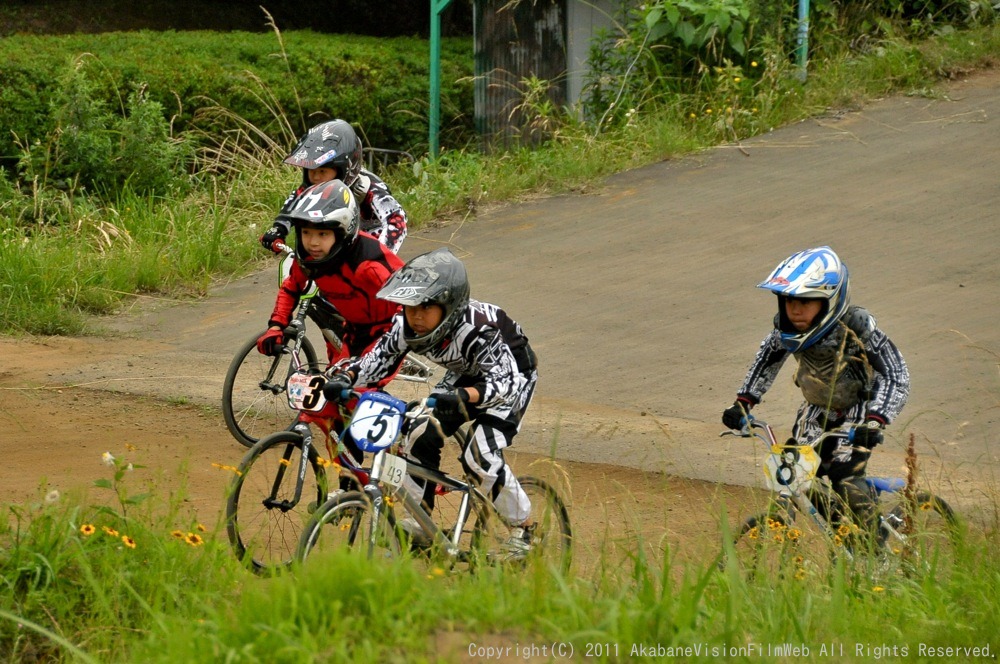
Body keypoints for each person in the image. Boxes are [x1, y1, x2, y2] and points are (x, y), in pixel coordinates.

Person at [322, 248, 540, 557]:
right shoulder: (405, 326)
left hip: (512, 377)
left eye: (427, 306)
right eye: (411, 307)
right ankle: (422, 522)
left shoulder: (478, 329)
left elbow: (504, 383)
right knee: (417, 433)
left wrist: (466, 396)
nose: (417, 316)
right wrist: (346, 376)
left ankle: (527, 530)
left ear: (450, 306)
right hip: (464, 375)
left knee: (480, 455)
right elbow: (377, 360)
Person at [721, 246, 910, 542]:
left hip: (859, 413)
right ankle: (843, 536)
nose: (795, 310)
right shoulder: (784, 330)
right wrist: (743, 402)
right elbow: (766, 360)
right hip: (816, 411)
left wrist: (876, 421)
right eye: (789, 301)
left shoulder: (857, 328)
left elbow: (896, 374)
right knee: (794, 475)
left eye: (806, 301)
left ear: (829, 301)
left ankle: (877, 544)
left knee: (844, 479)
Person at [256, 179, 405, 469]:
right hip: (354, 330)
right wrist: (276, 326)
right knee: (334, 410)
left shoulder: (369, 265)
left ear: (343, 232)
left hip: (388, 332)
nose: (312, 242)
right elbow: (291, 288)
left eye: (322, 234)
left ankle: (405, 446)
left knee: (357, 398)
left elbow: (409, 299)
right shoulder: (309, 259)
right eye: (307, 233)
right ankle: (350, 485)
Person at [259, 119, 408, 255]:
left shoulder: (368, 187)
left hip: (370, 239)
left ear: (345, 169)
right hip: (335, 239)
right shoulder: (311, 188)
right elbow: (293, 205)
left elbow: (397, 219)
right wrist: (278, 229)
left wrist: (381, 254)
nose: (316, 177)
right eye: (312, 171)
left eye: (322, 171)